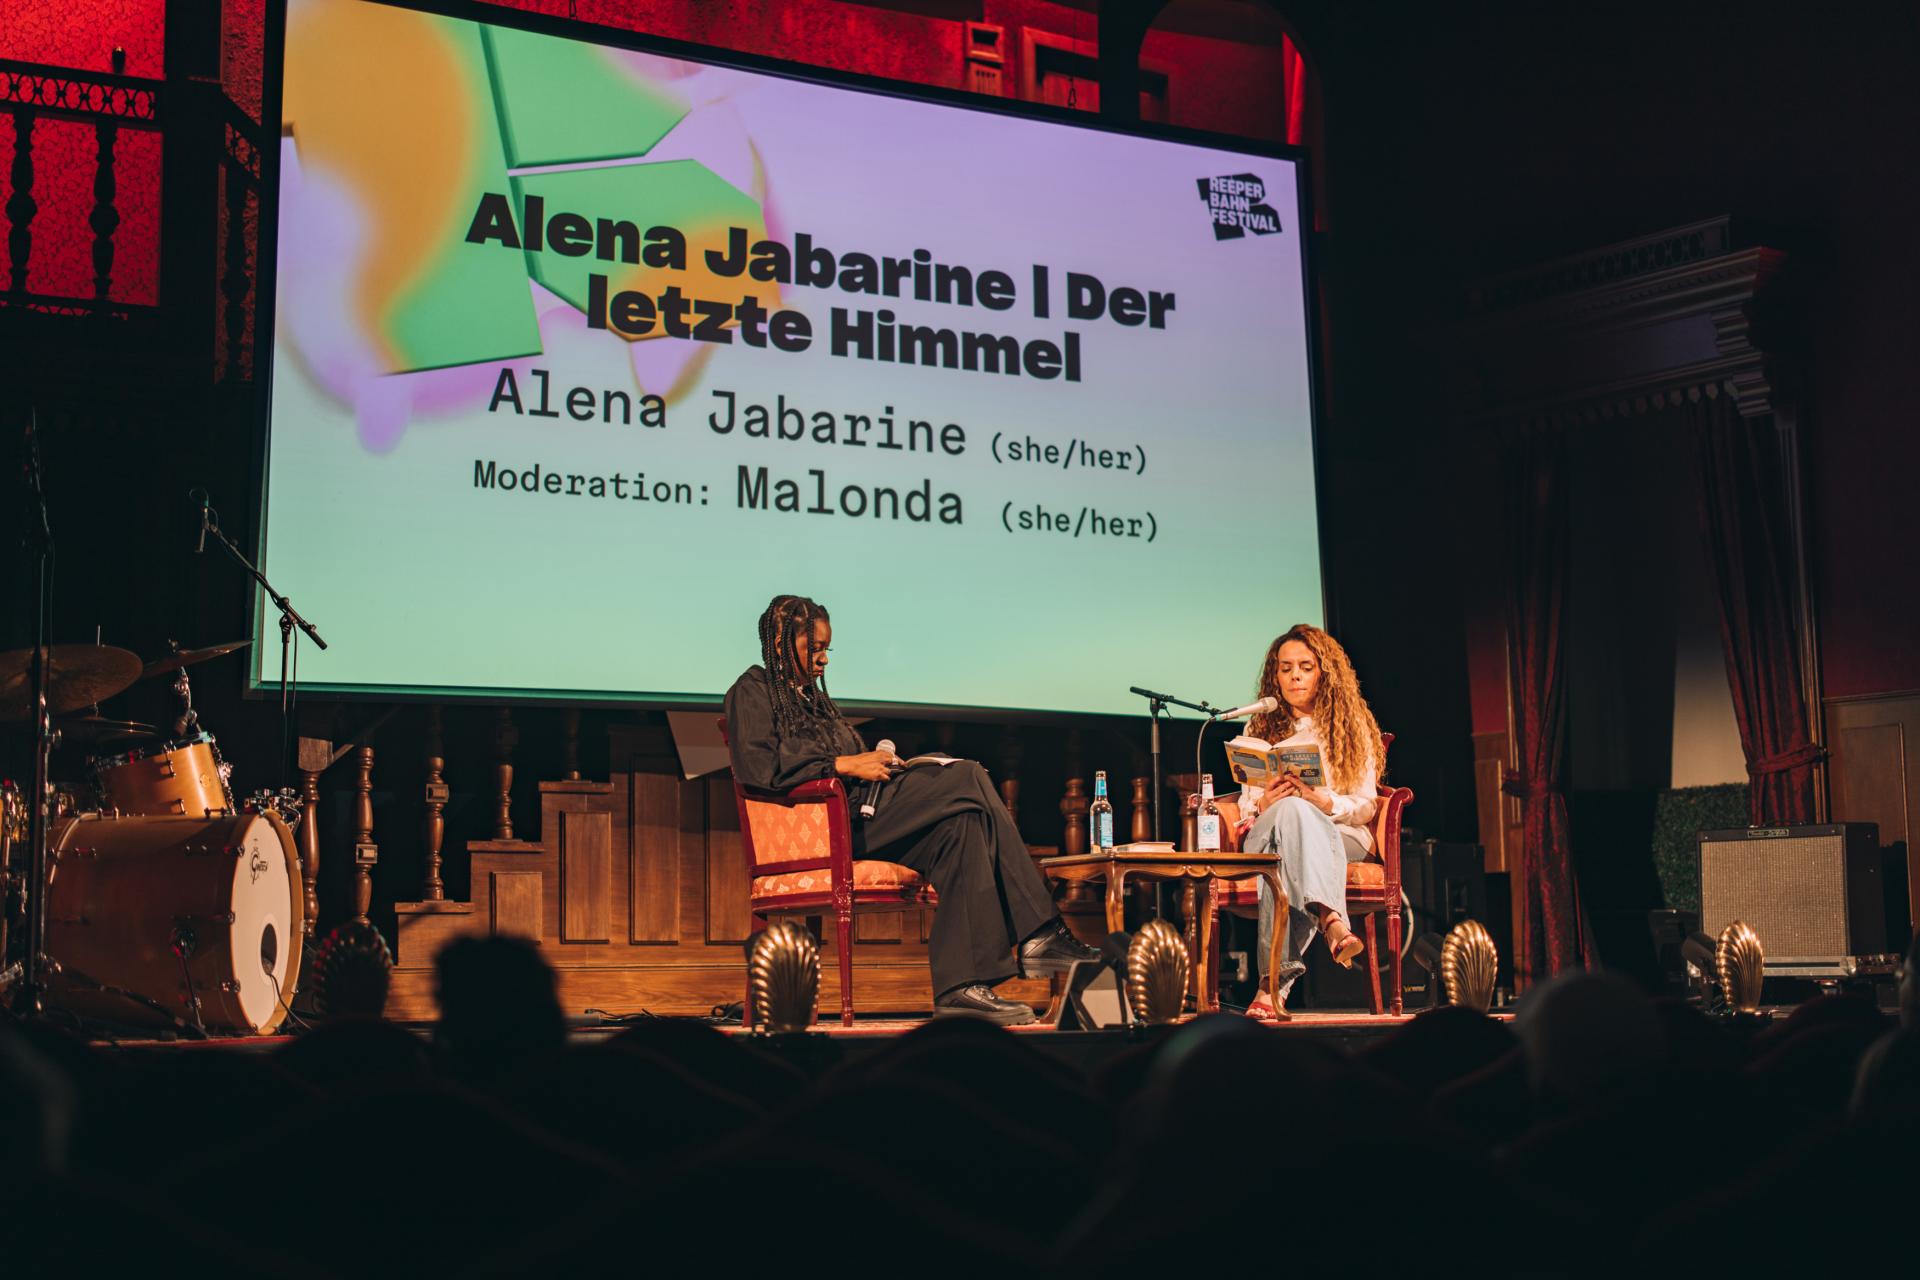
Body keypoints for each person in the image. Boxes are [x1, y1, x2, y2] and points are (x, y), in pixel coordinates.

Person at [723, 594, 1099, 1024]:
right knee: (968, 775)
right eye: (815, 648)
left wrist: (880, 763)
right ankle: (1042, 932)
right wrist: (843, 764)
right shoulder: (751, 692)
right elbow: (757, 767)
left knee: (962, 828)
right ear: (779, 643)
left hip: (866, 812)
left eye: (828, 649)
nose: (824, 659)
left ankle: (959, 989)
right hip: (830, 825)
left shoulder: (811, 699)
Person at [1234, 623, 1385, 1020]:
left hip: (1339, 832)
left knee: (1292, 834)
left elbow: (1366, 807)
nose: (1295, 676)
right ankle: (1330, 918)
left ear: (1324, 672)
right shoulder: (1258, 726)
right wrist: (1265, 802)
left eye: (1305, 667)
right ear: (1275, 674)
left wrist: (1322, 801)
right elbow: (1248, 807)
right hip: (1266, 833)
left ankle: (1271, 986)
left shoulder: (1351, 726)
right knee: (1289, 813)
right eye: (1285, 668)